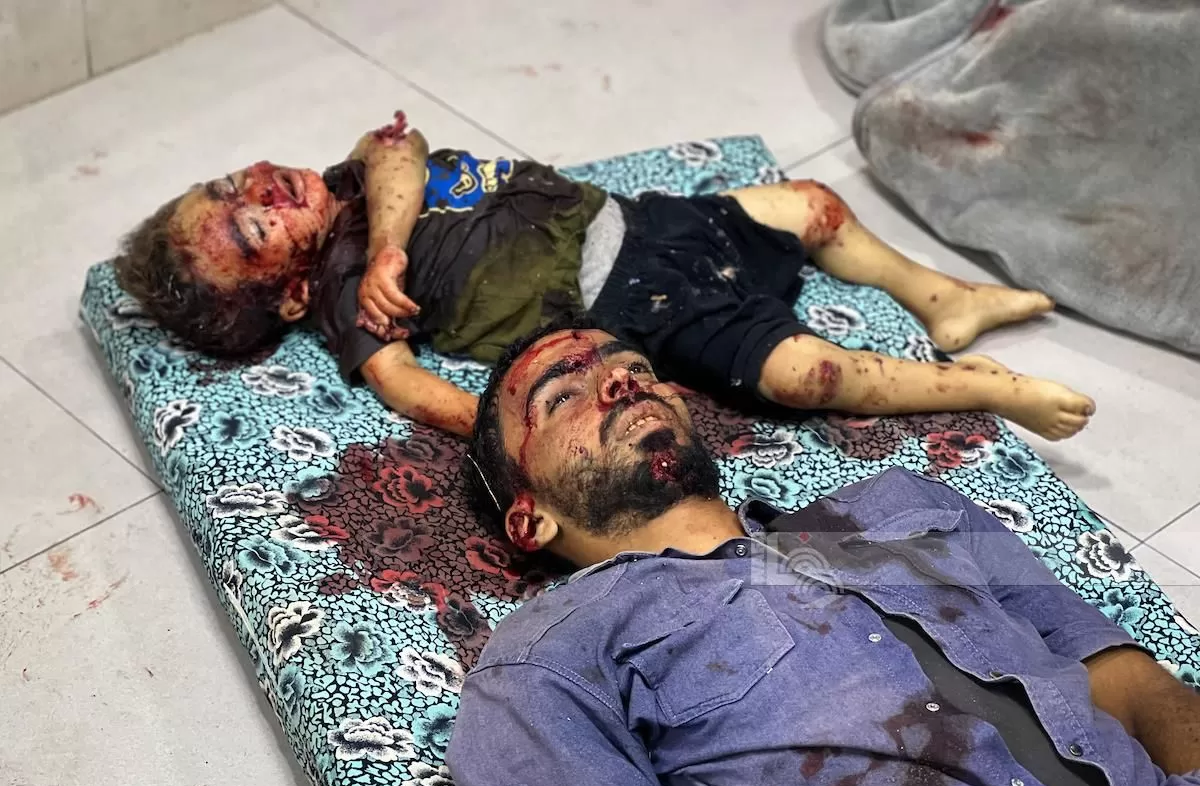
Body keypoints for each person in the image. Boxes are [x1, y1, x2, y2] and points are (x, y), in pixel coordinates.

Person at [446, 321, 1200, 786]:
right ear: (529, 519)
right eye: (563, 397)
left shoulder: (902, 502)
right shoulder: (547, 660)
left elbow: (1122, 676)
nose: (621, 382)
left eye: (634, 365)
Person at [114, 111, 1095, 441]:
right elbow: (403, 383)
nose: (259, 186)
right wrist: (513, 426)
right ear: (291, 292)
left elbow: (394, 147)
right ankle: (983, 388)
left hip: (636, 217)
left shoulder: (357, 182)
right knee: (809, 375)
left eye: (231, 181)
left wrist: (388, 247)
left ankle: (942, 296)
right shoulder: (344, 301)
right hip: (628, 303)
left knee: (812, 207)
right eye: (255, 223)